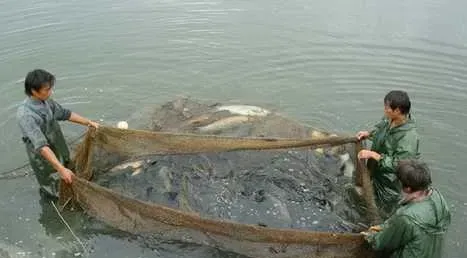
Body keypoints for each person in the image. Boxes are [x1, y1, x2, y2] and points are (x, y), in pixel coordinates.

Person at [16, 69, 99, 199]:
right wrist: (60, 169)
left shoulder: (47, 101)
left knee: (66, 162)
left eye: (50, 88)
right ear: (34, 91)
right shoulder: (26, 115)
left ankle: (67, 175)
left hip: (57, 141)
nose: (51, 92)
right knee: (51, 180)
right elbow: (41, 146)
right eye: (47, 89)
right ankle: (54, 197)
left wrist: (88, 122)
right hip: (41, 153)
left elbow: (65, 114)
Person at [361, 159, 451, 258]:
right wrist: (388, 225)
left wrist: (370, 236)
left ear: (407, 188)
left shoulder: (406, 217)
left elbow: (380, 243)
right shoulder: (438, 197)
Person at [356, 90, 420, 218]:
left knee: (384, 211)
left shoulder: (409, 138)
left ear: (397, 111)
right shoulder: (389, 119)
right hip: (375, 171)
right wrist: (369, 134)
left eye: (387, 107)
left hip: (390, 184)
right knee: (365, 200)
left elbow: (402, 166)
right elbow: (381, 130)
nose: (384, 109)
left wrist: (374, 156)